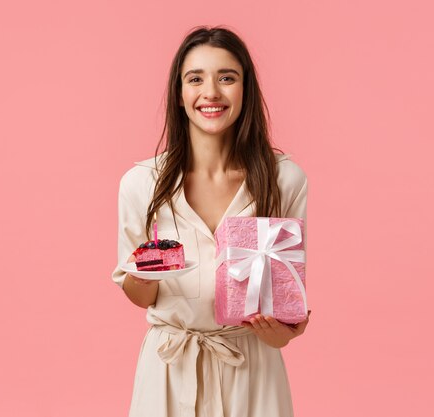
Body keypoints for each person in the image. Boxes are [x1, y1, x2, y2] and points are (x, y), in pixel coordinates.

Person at [112, 25, 311, 417]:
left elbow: (291, 300)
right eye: (195, 78)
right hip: (169, 370)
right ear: (179, 93)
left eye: (227, 78)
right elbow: (140, 296)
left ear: (245, 89)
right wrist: (146, 268)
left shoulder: (284, 179)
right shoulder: (141, 184)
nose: (211, 93)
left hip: (252, 369)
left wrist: (288, 329)